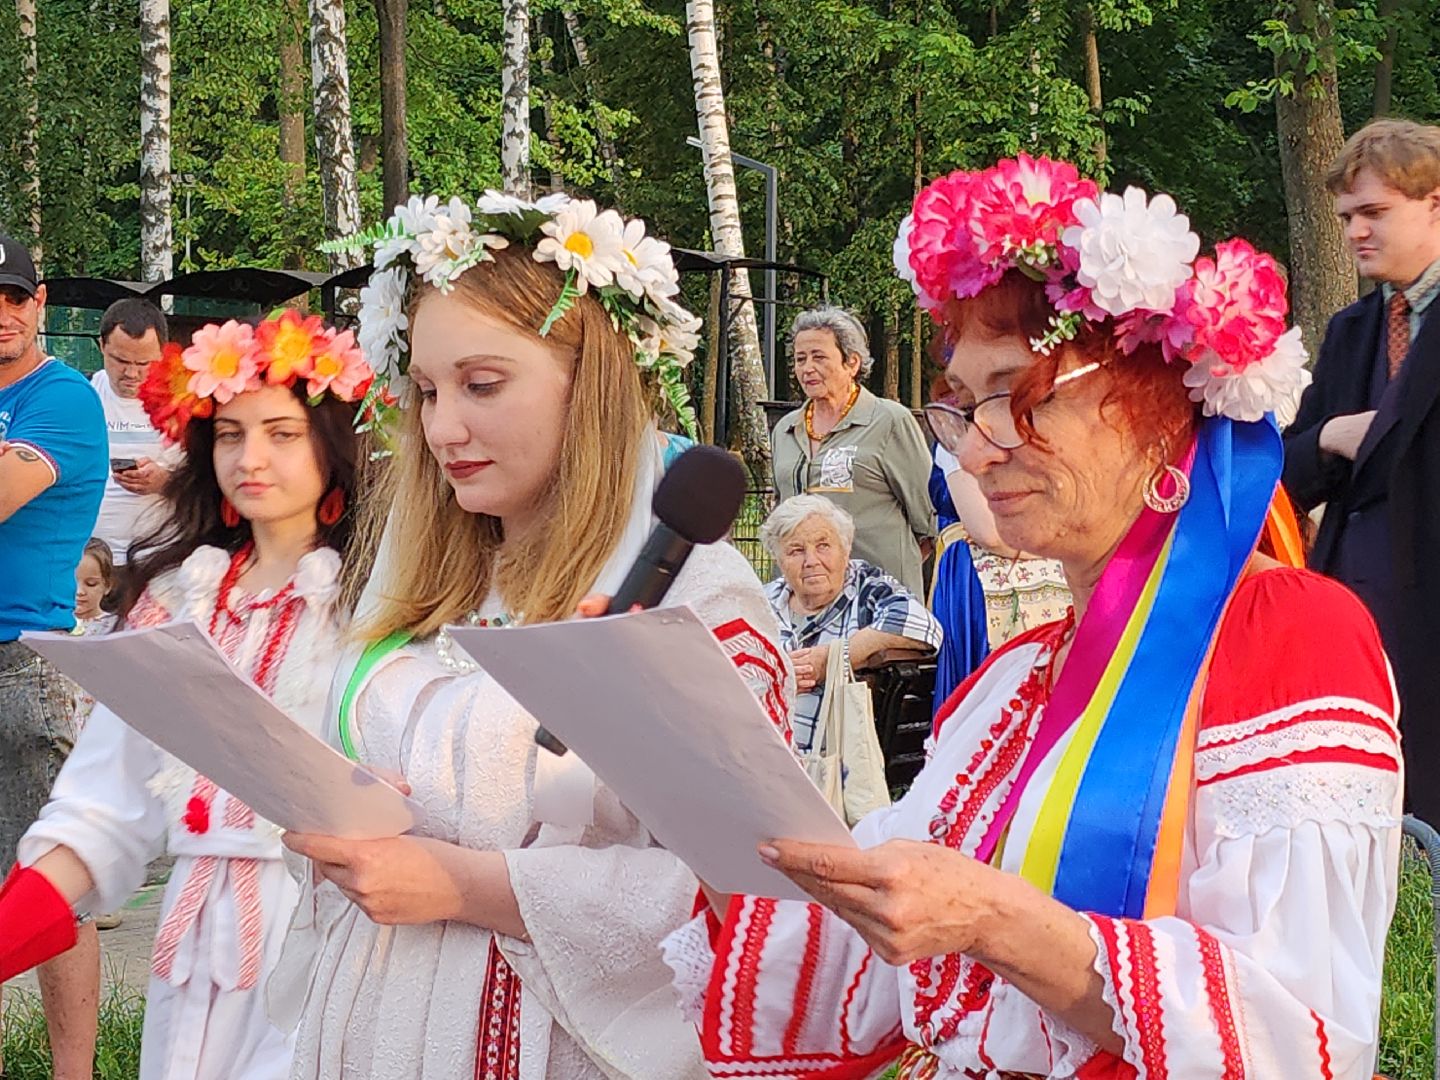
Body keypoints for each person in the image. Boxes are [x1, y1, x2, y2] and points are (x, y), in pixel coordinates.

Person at [664, 156, 1399, 1078]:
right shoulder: (1010, 680)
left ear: (1159, 405)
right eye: (966, 408)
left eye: (1019, 398)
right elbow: (872, 954)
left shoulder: (1287, 638)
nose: (975, 451)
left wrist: (995, 921)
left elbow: (1299, 1038)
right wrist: (689, 784)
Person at [272, 191, 792, 1079]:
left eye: (481, 385)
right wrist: (340, 827)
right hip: (371, 1027)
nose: (441, 428)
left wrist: (472, 887)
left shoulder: (692, 595)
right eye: (427, 392)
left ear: (590, 379)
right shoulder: (418, 588)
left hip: (558, 1050)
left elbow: (757, 889)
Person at [0, 309, 372, 1080]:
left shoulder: (377, 602)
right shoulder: (177, 600)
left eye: (281, 432)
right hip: (192, 945)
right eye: (230, 434)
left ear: (331, 445)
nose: (251, 456)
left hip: (327, 940)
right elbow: (105, 808)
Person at [1282, 117, 1440, 824]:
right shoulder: (1351, 330)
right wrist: (1329, 438)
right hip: (1356, 625)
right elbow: (1285, 471)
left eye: (1374, 212)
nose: (1354, 232)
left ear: (1435, 201)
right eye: (1346, 216)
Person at [0, 231, 108, 1080]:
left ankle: (74, 1073)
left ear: (40, 304)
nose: (1, 316)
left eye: (12, 298)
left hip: (24, 668)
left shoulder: (63, 397)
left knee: (50, 892)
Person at [761, 494, 942, 755]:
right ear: (779, 560)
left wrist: (835, 657)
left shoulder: (867, 589)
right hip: (757, 754)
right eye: (796, 550)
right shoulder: (762, 601)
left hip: (832, 771)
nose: (811, 560)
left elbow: (924, 625)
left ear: (845, 550)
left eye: (823, 546)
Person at [772, 306, 936, 594]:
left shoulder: (889, 421)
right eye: (800, 359)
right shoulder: (785, 429)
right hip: (803, 594)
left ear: (852, 363)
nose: (807, 368)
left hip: (878, 594)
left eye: (819, 357)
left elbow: (927, 517)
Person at [927, 407, 1073, 646]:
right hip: (984, 577)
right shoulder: (960, 435)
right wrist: (1062, 548)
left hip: (1049, 574)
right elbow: (987, 533)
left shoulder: (1043, 431)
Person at [91, 297, 177, 566]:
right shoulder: (83, 395)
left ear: (162, 353)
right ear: (101, 345)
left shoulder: (182, 402)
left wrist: (166, 481)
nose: (131, 373)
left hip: (158, 559)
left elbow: (208, 482)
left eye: (143, 364)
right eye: (120, 360)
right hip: (91, 565)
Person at [73, 536, 117, 636]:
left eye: (91, 584)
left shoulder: (116, 627)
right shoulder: (48, 623)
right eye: (72, 583)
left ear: (107, 585)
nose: (79, 591)